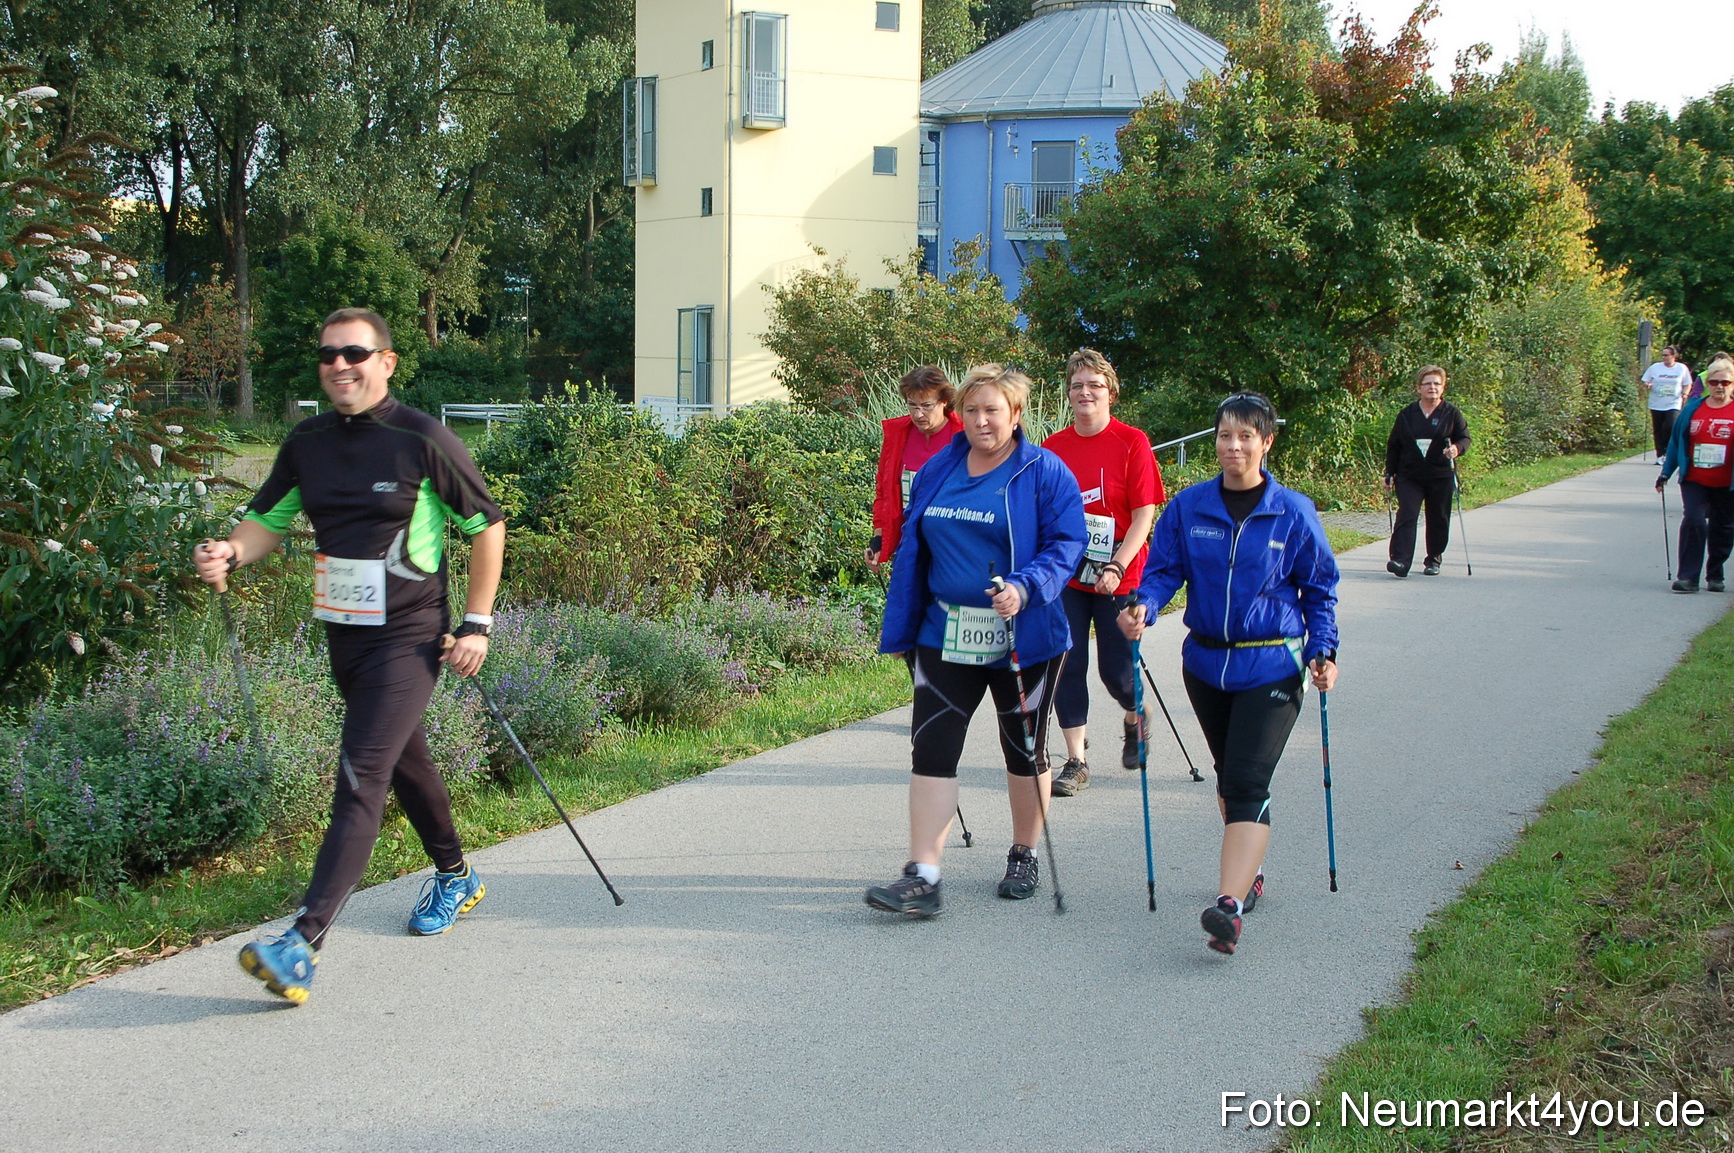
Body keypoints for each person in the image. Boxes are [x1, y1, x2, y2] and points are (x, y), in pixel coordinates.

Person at [193, 307, 506, 1005]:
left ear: (386, 361)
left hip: (409, 639)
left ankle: (301, 943)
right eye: (328, 355)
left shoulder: (423, 438)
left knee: (361, 773)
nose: (340, 365)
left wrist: (477, 623)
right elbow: (267, 520)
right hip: (345, 638)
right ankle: (455, 875)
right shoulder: (307, 442)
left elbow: (487, 525)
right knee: (402, 760)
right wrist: (229, 551)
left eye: (355, 352)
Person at [1117, 393, 1338, 956]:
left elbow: (1319, 589)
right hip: (1207, 665)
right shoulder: (1191, 508)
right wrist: (1144, 603)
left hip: (1273, 664)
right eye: (1223, 435)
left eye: (1245, 436)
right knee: (1227, 775)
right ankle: (1250, 869)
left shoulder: (1293, 512)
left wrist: (1324, 650)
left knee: (1245, 780)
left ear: (1266, 442)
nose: (1233, 446)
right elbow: (1165, 570)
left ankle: (1229, 907)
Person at [866, 363, 1086, 916]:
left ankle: (1023, 852)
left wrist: (1024, 586)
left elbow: (1067, 546)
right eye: (971, 409)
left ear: (1016, 415)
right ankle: (923, 876)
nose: (981, 420)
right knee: (932, 747)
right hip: (944, 633)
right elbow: (916, 534)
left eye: (993, 410)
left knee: (1022, 750)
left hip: (1025, 636)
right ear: (957, 412)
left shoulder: (1044, 471)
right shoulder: (942, 465)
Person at [1040, 348, 1164, 795]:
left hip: (1119, 571)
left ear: (1110, 392)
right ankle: (1077, 760)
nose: (1085, 392)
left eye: (1094, 385)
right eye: (1077, 385)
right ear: (1069, 394)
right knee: (1066, 663)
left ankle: (1135, 716)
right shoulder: (1053, 448)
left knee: (1116, 671)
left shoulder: (1132, 442)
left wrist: (1117, 564)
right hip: (1069, 574)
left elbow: (1143, 513)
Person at [866, 365, 965, 572]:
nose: (918, 414)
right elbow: (884, 492)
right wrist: (878, 539)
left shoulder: (964, 437)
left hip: (951, 549)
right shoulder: (897, 435)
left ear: (944, 401)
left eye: (927, 405)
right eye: (912, 405)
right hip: (908, 547)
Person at [1383, 365, 1470, 578]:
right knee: (1407, 514)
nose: (1432, 387)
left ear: (1443, 388)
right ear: (1419, 388)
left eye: (1437, 384)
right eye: (1427, 384)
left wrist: (1456, 449)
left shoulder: (1451, 413)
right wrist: (1389, 473)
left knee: (1438, 517)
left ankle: (1433, 558)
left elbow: (1465, 438)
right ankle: (1400, 561)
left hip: (1440, 475)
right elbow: (1394, 445)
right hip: (1409, 475)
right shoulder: (1407, 414)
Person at [1657, 355, 1734, 593]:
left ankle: (1715, 573)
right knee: (1693, 520)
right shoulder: (1693, 409)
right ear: (1707, 383)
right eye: (1714, 382)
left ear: (1732, 385)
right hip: (1695, 479)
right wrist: (1666, 472)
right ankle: (1688, 577)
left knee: (1723, 527)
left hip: (1727, 482)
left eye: (1725, 382)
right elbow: (1676, 444)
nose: (1719, 387)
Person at [1641, 346, 1693, 459]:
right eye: (1662, 355)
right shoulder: (1655, 367)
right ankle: (1660, 454)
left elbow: (1687, 383)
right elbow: (1645, 380)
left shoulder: (1681, 368)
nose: (1663, 357)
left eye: (1666, 355)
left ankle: (1668, 450)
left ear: (1674, 356)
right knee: (1658, 429)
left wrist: (1685, 394)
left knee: (1670, 426)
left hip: (1673, 402)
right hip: (1656, 402)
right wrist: (1648, 385)